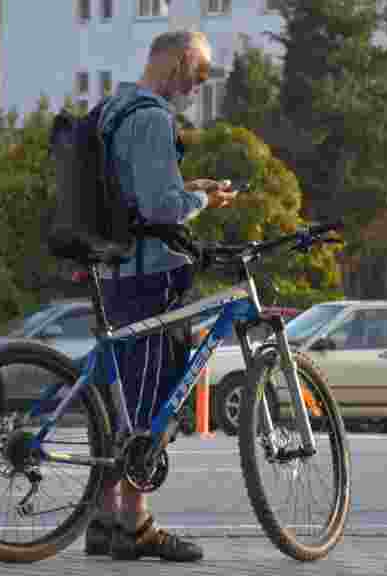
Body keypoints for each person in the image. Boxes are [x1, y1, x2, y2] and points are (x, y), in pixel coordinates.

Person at [84, 29, 237, 562]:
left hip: (113, 269)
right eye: (199, 71)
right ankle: (135, 523)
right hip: (149, 275)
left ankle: (103, 520)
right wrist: (200, 196)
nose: (200, 84)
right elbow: (160, 208)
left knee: (116, 398)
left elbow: (132, 192)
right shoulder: (150, 117)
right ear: (177, 60)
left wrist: (183, 186)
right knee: (148, 400)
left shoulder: (112, 109)